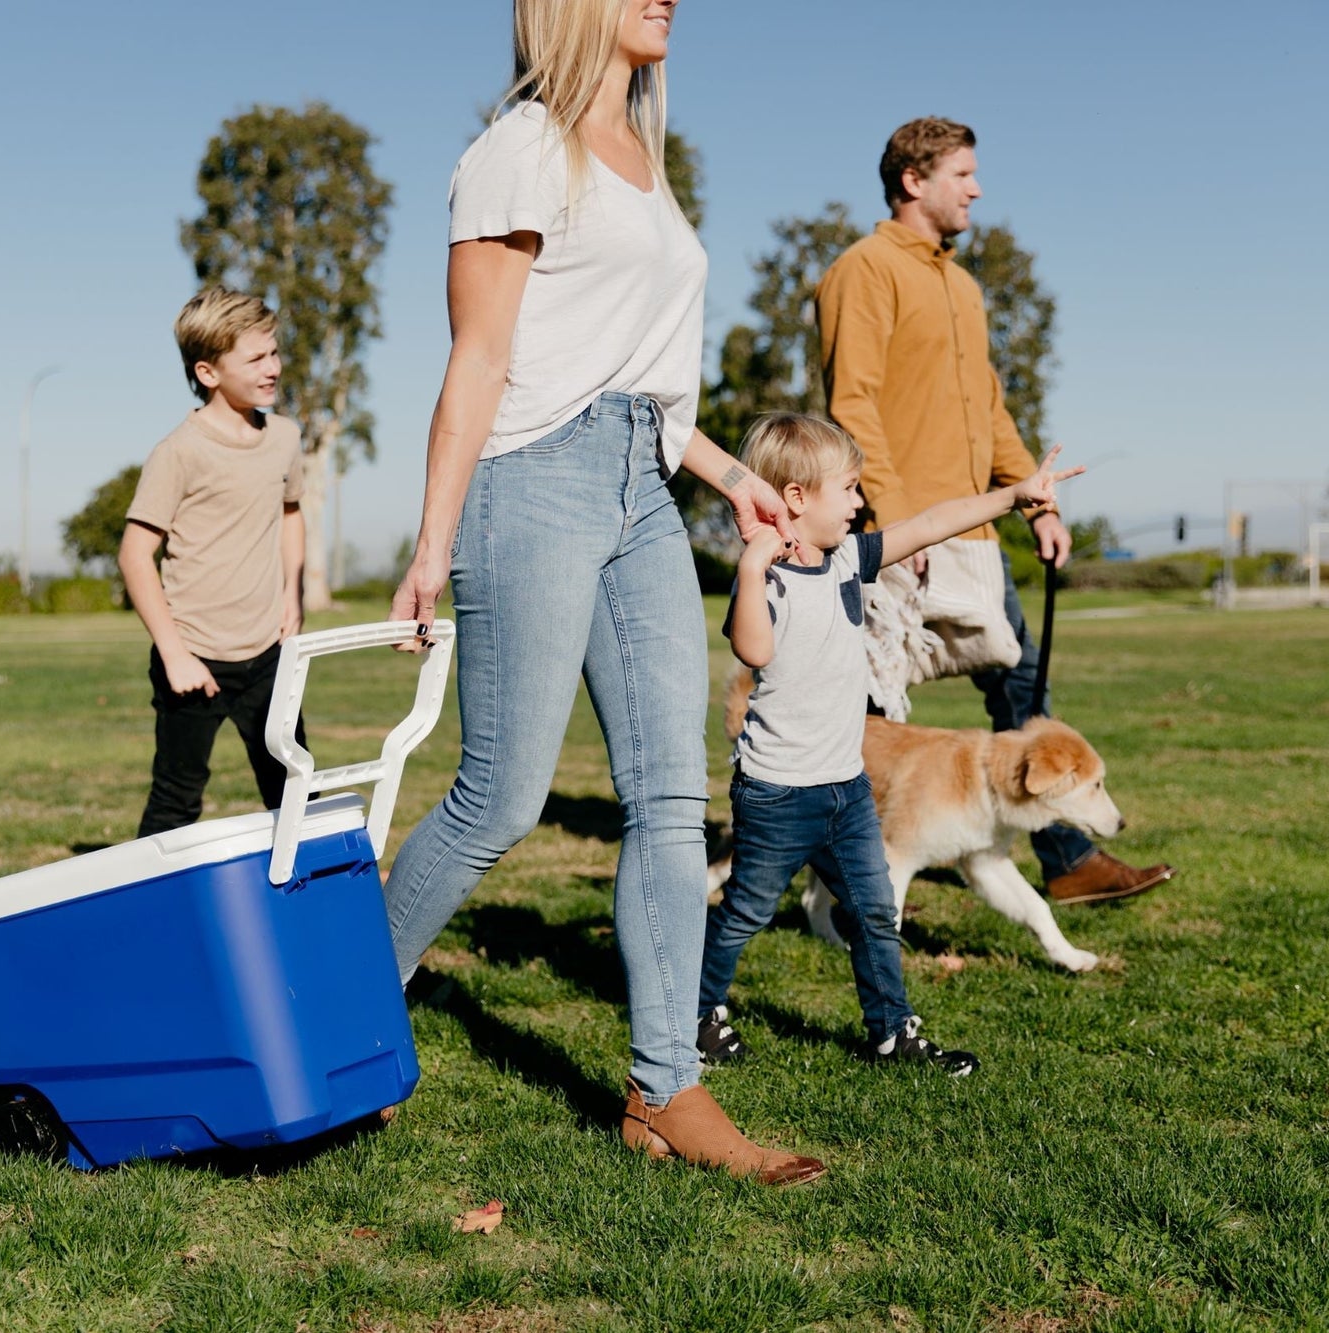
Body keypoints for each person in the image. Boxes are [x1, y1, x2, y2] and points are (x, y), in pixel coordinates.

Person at [384, 0, 822, 1186]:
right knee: (501, 797)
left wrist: (733, 478)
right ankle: (347, 1005)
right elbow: (480, 359)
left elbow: (642, 380)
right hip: (529, 479)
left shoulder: (645, 160)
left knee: (671, 795)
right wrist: (430, 543)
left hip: (641, 486)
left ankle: (664, 1089)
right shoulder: (518, 150)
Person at [814, 116, 1174, 907]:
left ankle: (1068, 858)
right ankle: (844, 871)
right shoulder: (863, 270)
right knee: (863, 713)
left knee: (1023, 691)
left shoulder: (963, 288)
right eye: (963, 175)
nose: (977, 190)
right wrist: (896, 523)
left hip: (976, 532)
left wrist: (1034, 499)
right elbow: (853, 406)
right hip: (894, 537)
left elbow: (989, 408)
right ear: (914, 180)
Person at [701, 413, 1080, 1075]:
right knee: (745, 912)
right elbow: (752, 650)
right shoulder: (767, 578)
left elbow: (932, 523)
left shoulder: (849, 558)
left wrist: (1012, 497)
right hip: (777, 794)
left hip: (846, 790)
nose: (859, 502)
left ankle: (891, 1034)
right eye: (849, 489)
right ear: (796, 498)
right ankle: (697, 1014)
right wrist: (755, 564)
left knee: (875, 911)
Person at [118, 286, 306, 839]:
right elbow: (134, 555)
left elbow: (291, 512)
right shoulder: (178, 452)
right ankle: (151, 895)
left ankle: (309, 889)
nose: (273, 367)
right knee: (176, 803)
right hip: (193, 660)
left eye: (274, 352)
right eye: (256, 358)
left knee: (295, 791)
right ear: (208, 372)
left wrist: (292, 594)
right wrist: (175, 654)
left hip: (268, 657)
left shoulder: (285, 438)